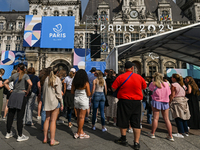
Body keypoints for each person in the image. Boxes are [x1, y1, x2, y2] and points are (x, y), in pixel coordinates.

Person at [112, 61, 147, 150]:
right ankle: (136, 143)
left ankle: (123, 139)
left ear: (125, 68)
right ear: (132, 68)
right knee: (136, 122)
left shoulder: (120, 77)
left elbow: (113, 88)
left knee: (123, 119)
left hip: (124, 101)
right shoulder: (139, 77)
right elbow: (144, 87)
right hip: (136, 102)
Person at [4, 63, 32, 142]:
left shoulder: (14, 75)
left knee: (10, 115)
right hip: (21, 96)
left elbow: (5, 83)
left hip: (13, 95)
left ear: (18, 68)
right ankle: (20, 135)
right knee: (20, 116)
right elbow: (30, 84)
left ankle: (8, 133)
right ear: (24, 69)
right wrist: (27, 91)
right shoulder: (25, 76)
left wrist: (10, 90)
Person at [148, 72, 174, 142]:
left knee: (155, 118)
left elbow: (150, 89)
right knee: (166, 119)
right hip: (165, 102)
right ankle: (170, 135)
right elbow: (169, 93)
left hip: (156, 101)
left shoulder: (153, 84)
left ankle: (152, 133)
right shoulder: (166, 84)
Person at [43, 66, 63, 146]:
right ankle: (52, 140)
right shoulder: (57, 79)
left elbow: (44, 92)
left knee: (47, 119)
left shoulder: (46, 79)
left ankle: (45, 138)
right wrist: (61, 102)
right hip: (55, 102)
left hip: (47, 101)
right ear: (57, 72)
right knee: (53, 120)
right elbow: (59, 93)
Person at [71, 69, 91, 139]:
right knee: (82, 117)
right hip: (84, 100)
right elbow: (88, 94)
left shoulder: (74, 82)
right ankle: (79, 132)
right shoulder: (86, 83)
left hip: (76, 99)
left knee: (78, 116)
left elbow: (72, 92)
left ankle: (81, 131)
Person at [170, 74, 190, 138]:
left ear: (174, 79)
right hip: (184, 100)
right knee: (183, 116)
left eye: (172, 77)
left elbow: (172, 95)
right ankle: (185, 131)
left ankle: (180, 132)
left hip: (177, 101)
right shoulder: (183, 85)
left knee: (178, 116)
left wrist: (169, 101)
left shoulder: (173, 85)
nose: (171, 78)